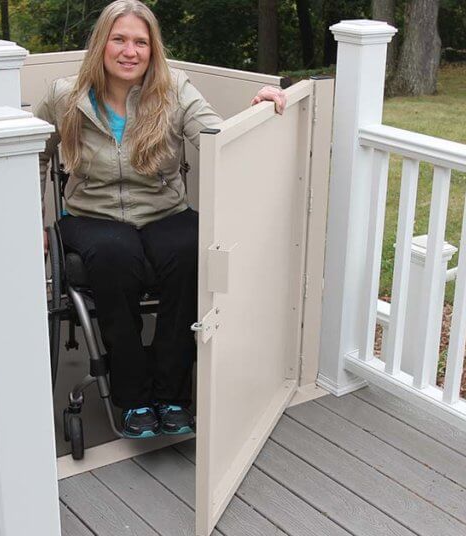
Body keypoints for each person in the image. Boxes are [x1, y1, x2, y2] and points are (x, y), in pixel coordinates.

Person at [35, 0, 286, 439]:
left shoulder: (174, 91)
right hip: (91, 215)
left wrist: (258, 109)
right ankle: (132, 397)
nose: (129, 51)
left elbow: (217, 137)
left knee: (190, 249)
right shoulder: (64, 96)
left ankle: (172, 394)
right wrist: (27, 222)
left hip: (163, 210)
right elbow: (29, 155)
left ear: (152, 49)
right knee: (116, 256)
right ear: (101, 44)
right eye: (119, 39)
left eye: (140, 42)